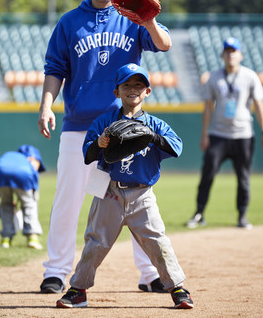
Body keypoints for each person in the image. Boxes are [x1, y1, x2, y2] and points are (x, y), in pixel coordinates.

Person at [38, 0, 172, 294]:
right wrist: (46, 106)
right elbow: (55, 69)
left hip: (123, 129)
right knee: (68, 200)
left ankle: (150, 274)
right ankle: (55, 271)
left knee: (134, 200)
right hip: (79, 126)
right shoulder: (69, 22)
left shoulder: (133, 18)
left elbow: (164, 44)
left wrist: (149, 21)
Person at [56, 63, 194, 309]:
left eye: (139, 85)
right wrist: (100, 143)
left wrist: (153, 136)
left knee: (158, 242)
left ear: (148, 91)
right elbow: (88, 155)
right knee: (96, 242)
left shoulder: (156, 124)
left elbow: (177, 147)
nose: (133, 89)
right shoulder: (104, 122)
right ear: (116, 92)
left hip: (142, 194)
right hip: (109, 191)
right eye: (127, 85)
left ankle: (178, 289)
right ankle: (78, 290)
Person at [186, 37, 263, 230]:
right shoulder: (214, 77)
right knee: (207, 174)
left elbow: (259, 106)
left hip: (243, 135)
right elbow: (208, 107)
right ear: (222, 55)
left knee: (243, 177)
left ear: (240, 54)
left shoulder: (250, 76)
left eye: (234, 50)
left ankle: (242, 216)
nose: (231, 54)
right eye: (227, 50)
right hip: (218, 134)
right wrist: (204, 134)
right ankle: (199, 213)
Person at [0, 145, 46, 249]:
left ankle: (6, 239)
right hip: (23, 174)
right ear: (31, 158)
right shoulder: (29, 165)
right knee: (29, 204)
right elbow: (34, 195)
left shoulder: (8, 159)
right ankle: (32, 237)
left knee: (5, 205)